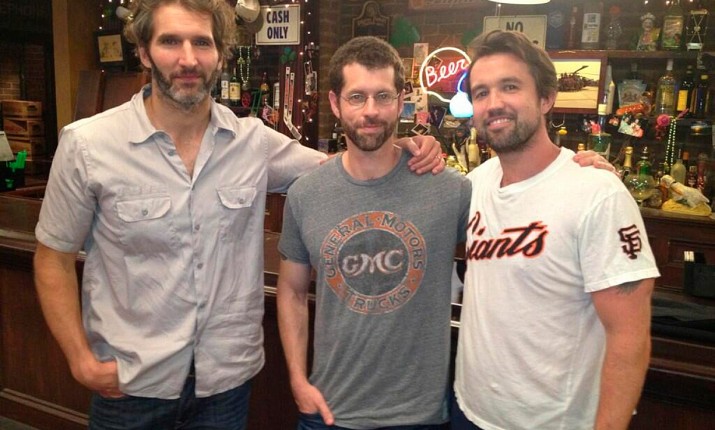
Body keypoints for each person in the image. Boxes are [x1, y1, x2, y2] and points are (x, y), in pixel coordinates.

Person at [32, 1, 443, 428]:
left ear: (220, 55)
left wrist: (403, 147)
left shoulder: (254, 143)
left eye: (202, 43)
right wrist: (79, 359)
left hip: (224, 386)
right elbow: (52, 258)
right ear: (144, 52)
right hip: (130, 386)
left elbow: (341, 168)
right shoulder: (87, 144)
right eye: (171, 41)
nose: (188, 59)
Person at [452, 30, 660, 430]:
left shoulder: (597, 193)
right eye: (481, 92)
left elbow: (629, 337)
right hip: (470, 411)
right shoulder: (476, 183)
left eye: (510, 87)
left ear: (546, 98)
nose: (494, 103)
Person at [276, 35, 471, 430]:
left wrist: (583, 168)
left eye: (383, 96)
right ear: (335, 103)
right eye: (357, 97)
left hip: (419, 416)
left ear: (401, 101)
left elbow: (520, 209)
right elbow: (292, 291)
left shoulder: (451, 190)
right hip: (329, 411)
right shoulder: (305, 194)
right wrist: (297, 380)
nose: (371, 111)